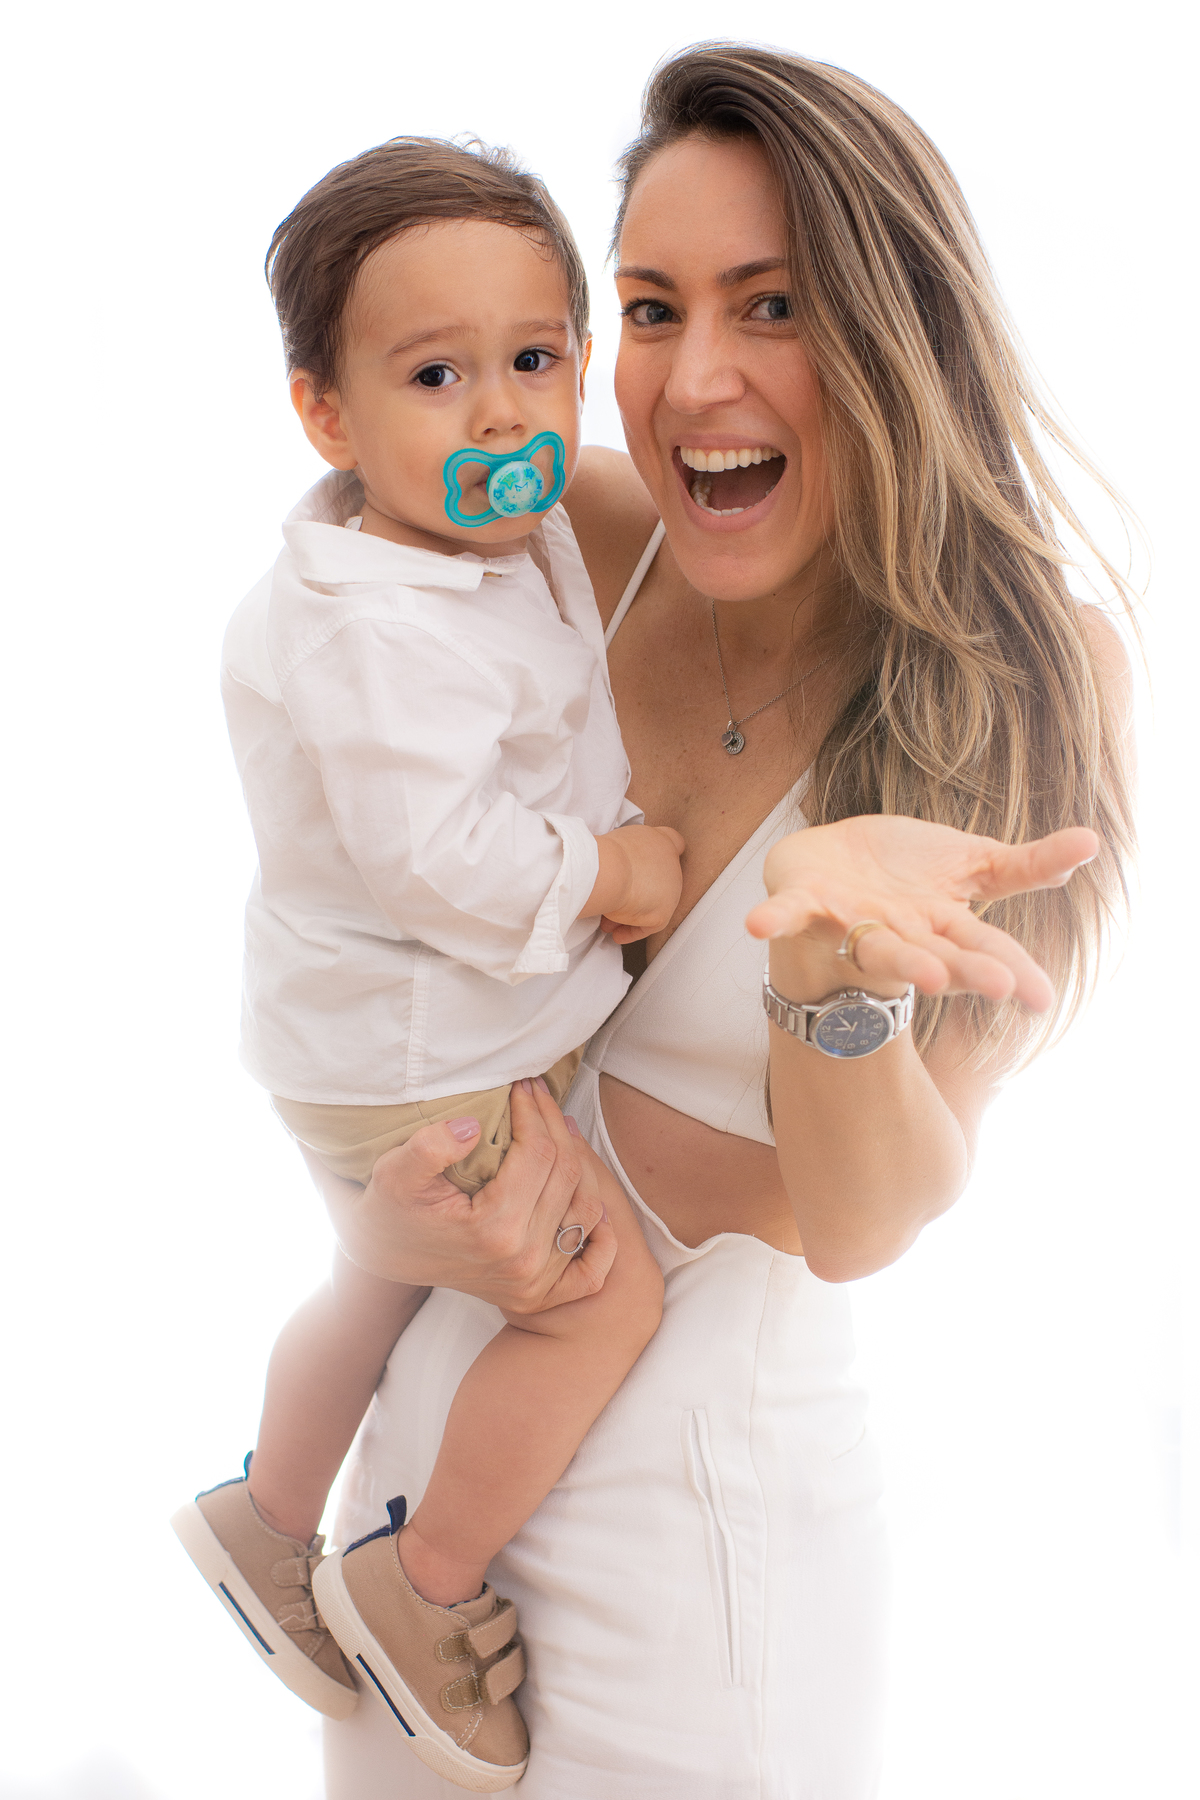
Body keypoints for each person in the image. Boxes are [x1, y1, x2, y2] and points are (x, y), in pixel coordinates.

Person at [317, 43, 1136, 1800]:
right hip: (418, 1511)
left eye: (772, 307)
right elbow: (338, 835)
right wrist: (373, 1186)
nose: (695, 383)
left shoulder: (1015, 682)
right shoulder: (575, 544)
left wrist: (829, 970)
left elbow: (870, 1216)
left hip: (701, 1557)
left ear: (890, 332)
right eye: (649, 309)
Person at [171, 136, 683, 1792]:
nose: (503, 418)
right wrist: (614, 870)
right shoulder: (377, 627)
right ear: (326, 414)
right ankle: (425, 1579)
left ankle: (264, 1513)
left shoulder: (470, 540)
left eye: (537, 361)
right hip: (415, 1048)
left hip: (358, 1041)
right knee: (599, 1294)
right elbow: (442, 862)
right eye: (438, 375)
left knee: (382, 1273)